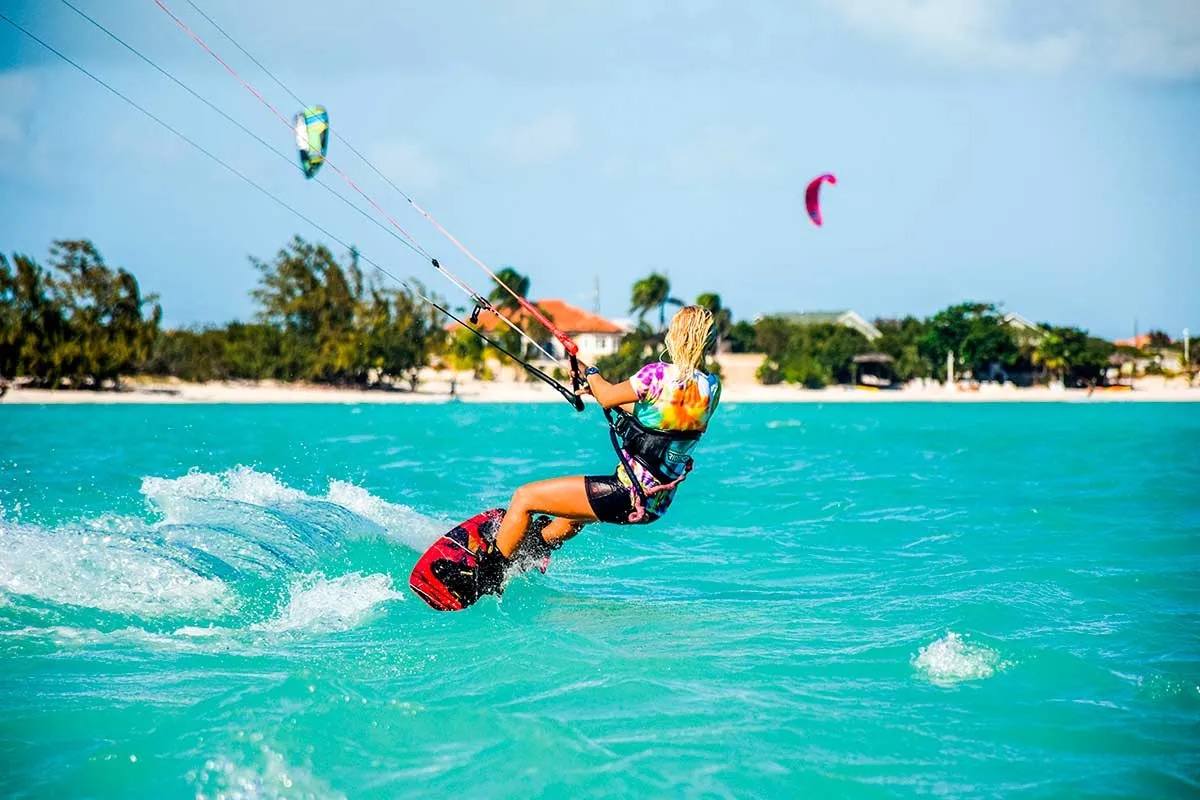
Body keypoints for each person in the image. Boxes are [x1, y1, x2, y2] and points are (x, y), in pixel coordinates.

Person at [479, 304, 722, 588]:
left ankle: (488, 575)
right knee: (571, 517)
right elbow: (661, 416)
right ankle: (530, 549)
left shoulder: (657, 375)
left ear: (676, 336)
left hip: (626, 493)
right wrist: (596, 388)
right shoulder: (711, 387)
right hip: (655, 505)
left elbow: (609, 397)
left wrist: (592, 372)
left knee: (524, 498)